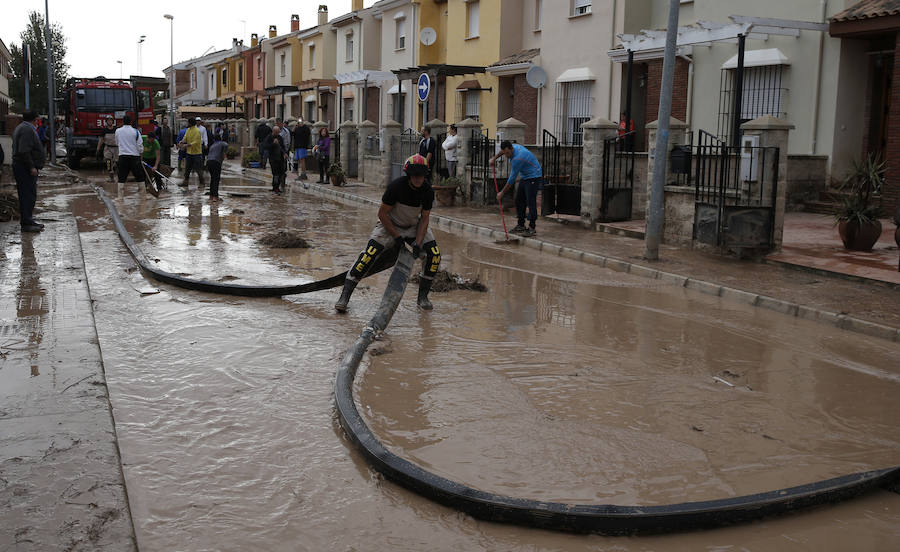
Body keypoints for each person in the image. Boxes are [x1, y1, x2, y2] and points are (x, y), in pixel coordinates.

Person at [334, 154, 440, 312]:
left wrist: (418, 243)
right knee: (368, 255)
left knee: (434, 254)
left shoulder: (427, 191)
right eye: (415, 175)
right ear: (409, 175)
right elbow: (382, 214)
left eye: (421, 176)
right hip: (389, 225)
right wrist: (397, 237)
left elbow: (424, 218)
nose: (418, 179)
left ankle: (423, 297)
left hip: (413, 225)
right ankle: (345, 296)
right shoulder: (395, 187)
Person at [490, 140, 543, 237]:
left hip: (534, 176)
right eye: (505, 153)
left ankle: (532, 227)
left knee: (530, 201)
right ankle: (521, 225)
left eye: (508, 153)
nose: (506, 155)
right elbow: (502, 151)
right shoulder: (511, 147)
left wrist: (502, 193)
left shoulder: (518, 159)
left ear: (511, 149)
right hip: (525, 176)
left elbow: (511, 180)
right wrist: (494, 158)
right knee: (519, 200)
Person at [11, 111, 46, 233]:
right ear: (35, 119)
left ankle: (28, 219)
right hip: (24, 168)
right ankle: (26, 223)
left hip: (23, 167)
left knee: (29, 194)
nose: (38, 122)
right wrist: (31, 167)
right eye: (37, 120)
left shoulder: (23, 127)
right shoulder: (26, 130)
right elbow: (24, 151)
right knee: (27, 195)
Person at [115, 114, 145, 184]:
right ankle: (143, 194)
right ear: (131, 122)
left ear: (123, 122)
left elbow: (117, 143)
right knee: (140, 178)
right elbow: (140, 146)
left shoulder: (118, 131)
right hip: (135, 157)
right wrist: (141, 156)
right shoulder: (136, 132)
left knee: (121, 179)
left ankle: (120, 195)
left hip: (122, 157)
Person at [178, 117, 205, 187]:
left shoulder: (197, 131)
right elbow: (185, 137)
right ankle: (186, 182)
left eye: (188, 122)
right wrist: (181, 142)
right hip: (189, 153)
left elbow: (196, 142)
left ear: (190, 123)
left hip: (197, 153)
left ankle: (202, 183)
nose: (187, 123)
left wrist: (187, 145)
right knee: (187, 168)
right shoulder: (188, 130)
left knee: (198, 169)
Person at [264, 123, 288, 193]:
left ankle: (277, 187)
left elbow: (282, 146)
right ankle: (275, 187)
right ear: (273, 131)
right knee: (275, 173)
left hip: (280, 158)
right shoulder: (269, 137)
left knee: (281, 173)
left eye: (278, 132)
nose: (277, 133)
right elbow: (265, 146)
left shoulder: (280, 137)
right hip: (273, 158)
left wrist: (285, 153)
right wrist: (273, 144)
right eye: (276, 132)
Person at [95, 115, 119, 181]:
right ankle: (111, 176)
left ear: (113, 121)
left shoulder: (116, 129)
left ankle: (119, 176)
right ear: (106, 122)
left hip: (116, 148)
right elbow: (101, 140)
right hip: (108, 148)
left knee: (117, 162)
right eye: (108, 120)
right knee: (108, 161)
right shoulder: (104, 130)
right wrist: (98, 149)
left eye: (111, 120)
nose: (110, 122)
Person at [206, 135, 228, 201]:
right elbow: (226, 144)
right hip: (216, 162)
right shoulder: (222, 143)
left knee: (212, 179)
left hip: (209, 162)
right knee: (216, 179)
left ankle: (211, 196)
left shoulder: (212, 145)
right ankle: (215, 197)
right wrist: (224, 153)